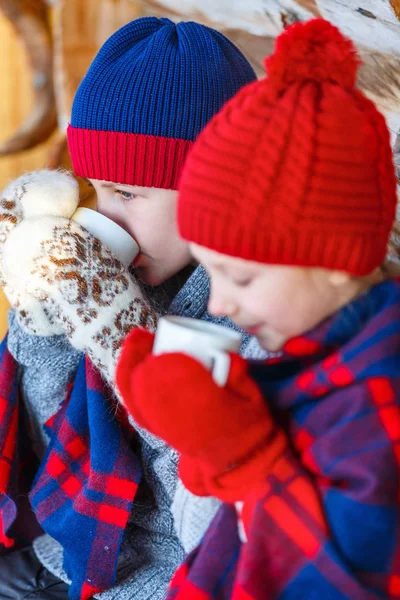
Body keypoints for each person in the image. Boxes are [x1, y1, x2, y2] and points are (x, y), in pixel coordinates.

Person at [116, 19, 400, 599]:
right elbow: (216, 532)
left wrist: (244, 457)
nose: (220, 303)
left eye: (241, 275)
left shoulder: (378, 399)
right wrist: (201, 444)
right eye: (211, 269)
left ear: (337, 258)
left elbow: (339, 582)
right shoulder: (306, 356)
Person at [0, 16, 260, 600]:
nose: (106, 220)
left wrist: (124, 341)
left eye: (129, 194)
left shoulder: (255, 311)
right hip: (73, 549)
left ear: (213, 189)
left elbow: (211, 523)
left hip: (161, 577)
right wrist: (40, 317)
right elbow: (58, 444)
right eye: (97, 189)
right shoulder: (135, 269)